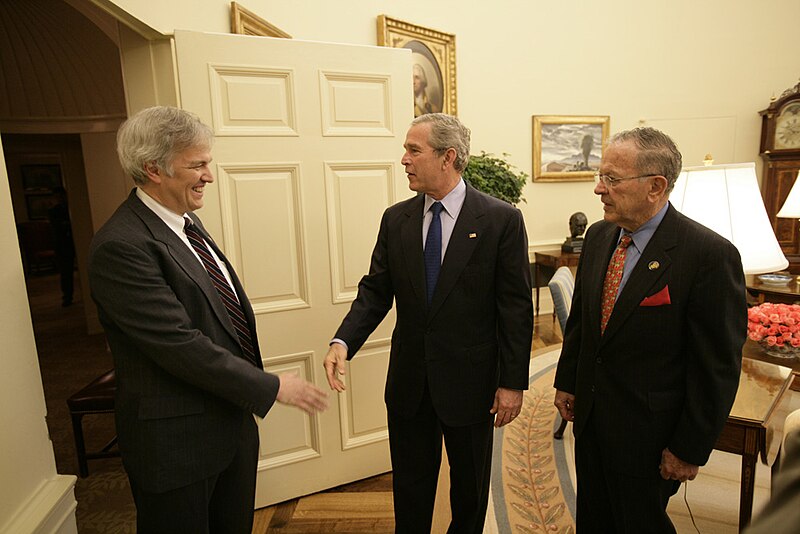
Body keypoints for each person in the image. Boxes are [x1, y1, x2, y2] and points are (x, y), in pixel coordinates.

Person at [88, 106, 328, 534]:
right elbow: (179, 344)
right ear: (153, 169)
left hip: (227, 428)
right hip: (177, 447)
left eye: (207, 162)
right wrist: (273, 386)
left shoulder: (186, 222)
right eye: (197, 165)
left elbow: (218, 313)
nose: (209, 176)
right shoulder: (121, 246)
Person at [323, 113, 533, 533]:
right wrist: (343, 341)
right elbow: (376, 291)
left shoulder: (500, 221)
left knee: (469, 490)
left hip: (472, 384)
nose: (404, 159)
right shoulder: (395, 219)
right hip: (410, 382)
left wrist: (512, 383)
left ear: (448, 157)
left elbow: (515, 309)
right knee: (411, 486)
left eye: (413, 150)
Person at [553, 127, 746, 533]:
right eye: (600, 176)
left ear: (656, 186)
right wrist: (568, 380)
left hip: (649, 437)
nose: (598, 189)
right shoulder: (600, 234)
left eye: (611, 179)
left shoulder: (708, 255)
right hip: (590, 422)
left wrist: (688, 448)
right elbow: (583, 324)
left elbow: (716, 367)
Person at [47, 186, 75, 306]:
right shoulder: (54, 211)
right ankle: (67, 297)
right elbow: (57, 227)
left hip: (71, 243)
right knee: (65, 272)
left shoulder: (70, 208)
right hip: (62, 245)